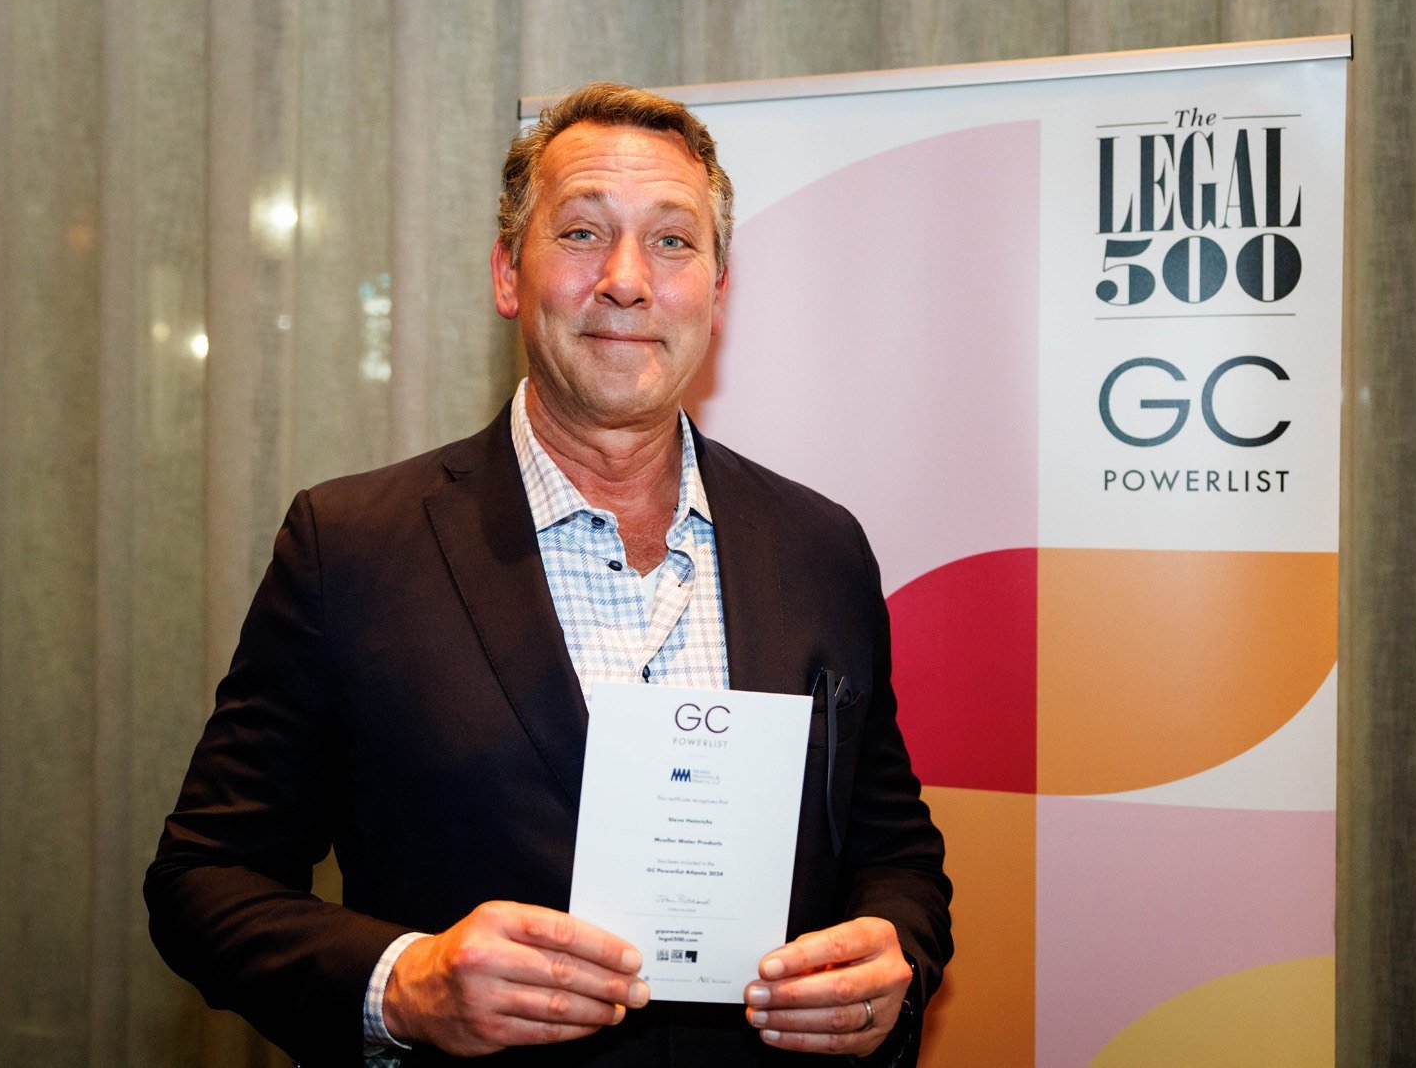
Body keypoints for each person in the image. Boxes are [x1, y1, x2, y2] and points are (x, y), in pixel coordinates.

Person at [146, 81, 952, 1067]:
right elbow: (204, 878)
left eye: (672, 240)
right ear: (506, 272)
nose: (627, 280)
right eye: (580, 233)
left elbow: (894, 854)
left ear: (716, 291)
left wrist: (891, 958)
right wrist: (406, 982)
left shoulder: (819, 547)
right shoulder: (350, 549)